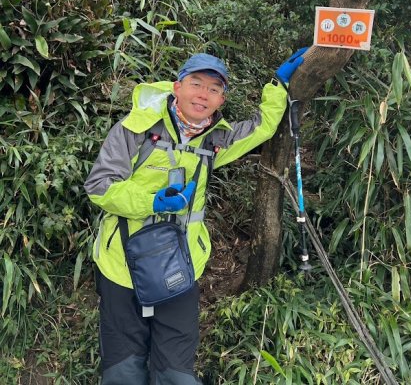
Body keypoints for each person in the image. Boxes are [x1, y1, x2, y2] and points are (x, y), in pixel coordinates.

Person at [84, 48, 308, 385]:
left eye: (214, 89)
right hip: (122, 264)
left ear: (221, 101)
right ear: (177, 87)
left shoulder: (215, 140)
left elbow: (261, 129)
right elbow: (100, 186)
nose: (203, 94)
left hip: (181, 264)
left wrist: (277, 85)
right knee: (123, 368)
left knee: (176, 369)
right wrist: (152, 202)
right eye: (196, 83)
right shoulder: (136, 130)